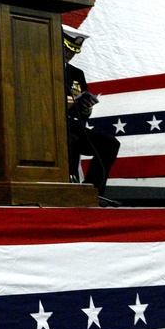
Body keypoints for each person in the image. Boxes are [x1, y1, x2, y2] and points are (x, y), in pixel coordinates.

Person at [63, 25, 120, 205]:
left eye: (74, 52)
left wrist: (86, 108)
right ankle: (70, 188)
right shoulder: (42, 68)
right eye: (67, 49)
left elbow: (81, 108)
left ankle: (93, 191)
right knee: (70, 141)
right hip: (51, 126)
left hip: (74, 124)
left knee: (110, 144)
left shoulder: (76, 74)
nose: (70, 55)